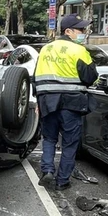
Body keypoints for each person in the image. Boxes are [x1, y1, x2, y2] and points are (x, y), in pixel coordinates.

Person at [33, 14, 99, 190]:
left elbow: (36, 78)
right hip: (71, 103)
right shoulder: (79, 50)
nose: (84, 33)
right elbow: (90, 77)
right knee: (70, 143)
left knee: (49, 138)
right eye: (80, 29)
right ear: (68, 31)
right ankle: (62, 181)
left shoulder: (45, 49)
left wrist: (38, 102)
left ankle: (47, 170)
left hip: (48, 102)